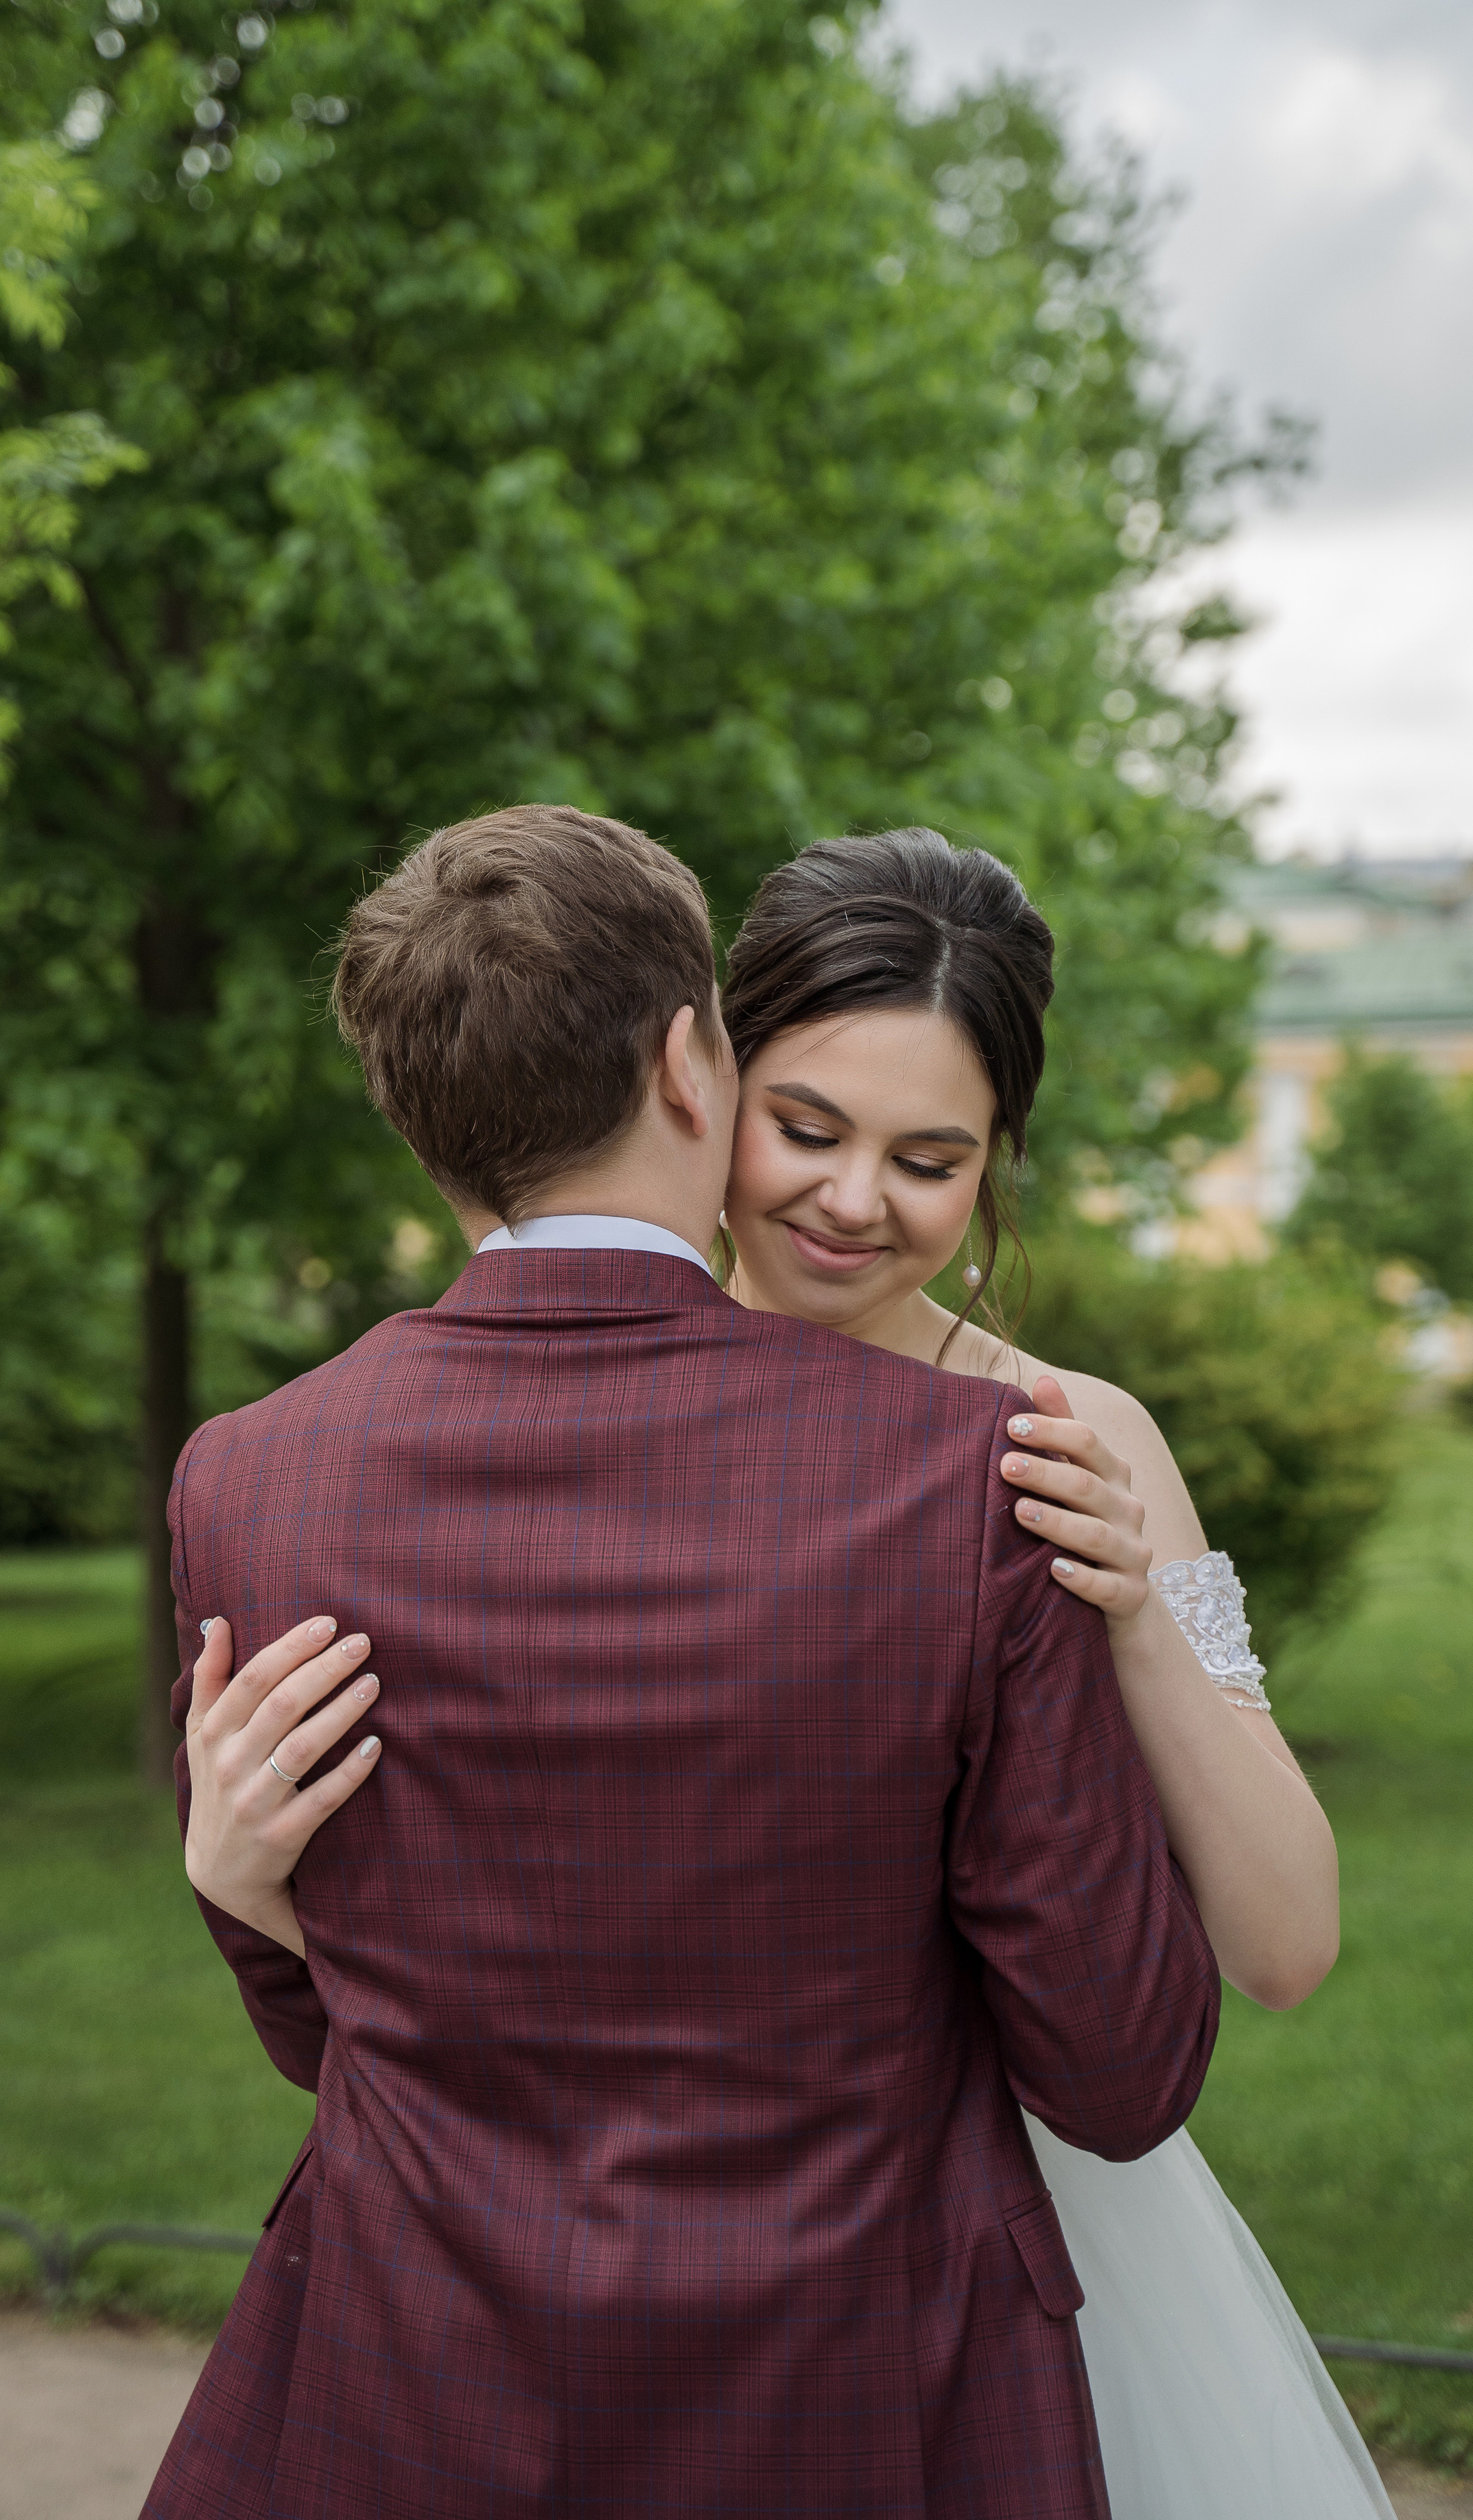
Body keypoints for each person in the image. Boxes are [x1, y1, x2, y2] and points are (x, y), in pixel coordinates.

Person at [182, 824, 1395, 2520]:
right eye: (808, 1128)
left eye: (929, 1157)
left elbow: (1279, 1946)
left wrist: (1137, 1618)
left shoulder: (1062, 1446)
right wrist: (243, 1881)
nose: (849, 1200)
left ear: (994, 1166)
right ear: (703, 1072)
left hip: (958, 2237)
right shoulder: (512, 1407)